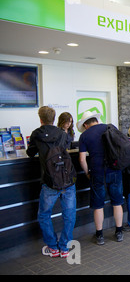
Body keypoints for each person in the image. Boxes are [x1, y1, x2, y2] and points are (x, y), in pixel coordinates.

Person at [27, 106, 75, 258]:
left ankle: (53, 248)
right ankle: (65, 248)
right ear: (54, 119)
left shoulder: (36, 134)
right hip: (67, 179)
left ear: (40, 119)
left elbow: (30, 153)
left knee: (44, 215)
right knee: (69, 215)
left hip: (49, 182)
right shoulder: (62, 133)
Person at [78, 111, 124, 244]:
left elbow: (82, 159)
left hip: (97, 172)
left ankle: (100, 236)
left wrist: (87, 172)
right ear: (96, 120)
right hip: (114, 169)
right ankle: (119, 232)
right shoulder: (110, 128)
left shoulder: (85, 136)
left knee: (98, 205)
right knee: (117, 202)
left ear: (86, 124)